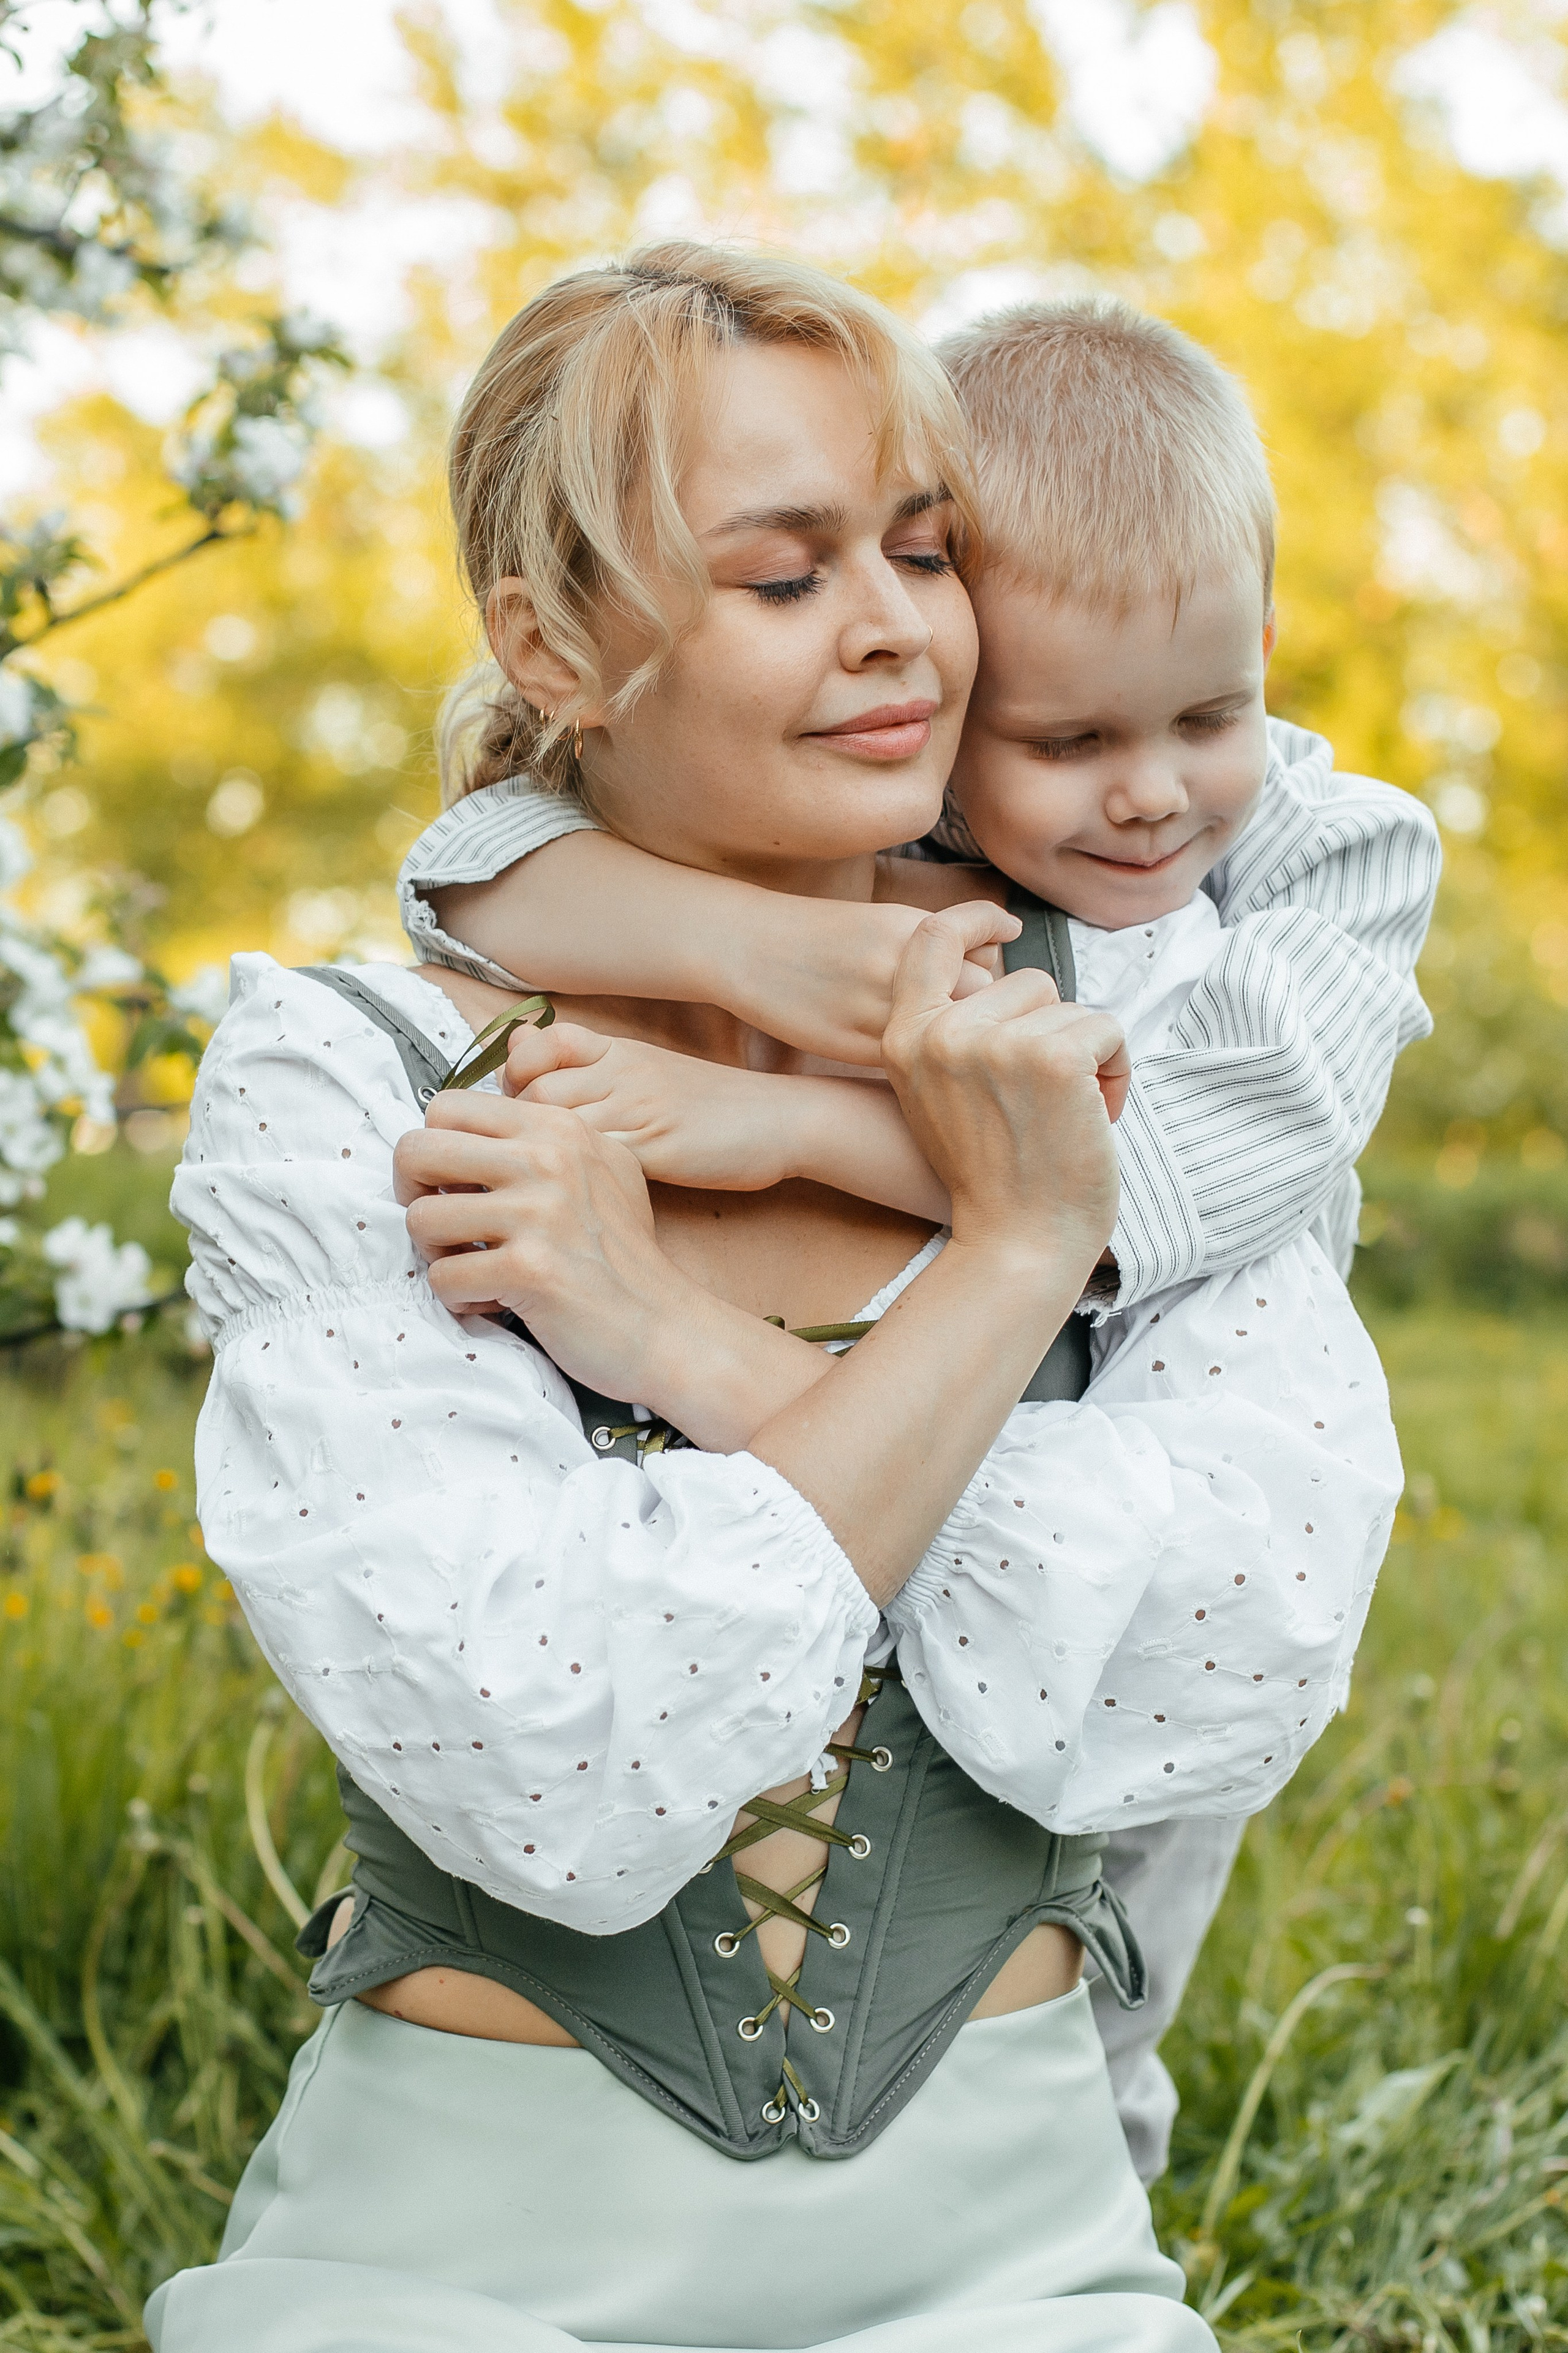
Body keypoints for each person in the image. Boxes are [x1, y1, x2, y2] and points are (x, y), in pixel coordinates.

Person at [149, 247, 1400, 2353]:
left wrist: (740, 1327)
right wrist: (818, 1020)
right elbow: (552, 1753)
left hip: (1019, 2273)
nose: (899, 626)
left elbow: (1217, 1657)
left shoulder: (1173, 1047)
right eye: (785, 573)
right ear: (552, 638)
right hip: (437, 2270)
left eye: (921, 547)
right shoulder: (362, 1077)